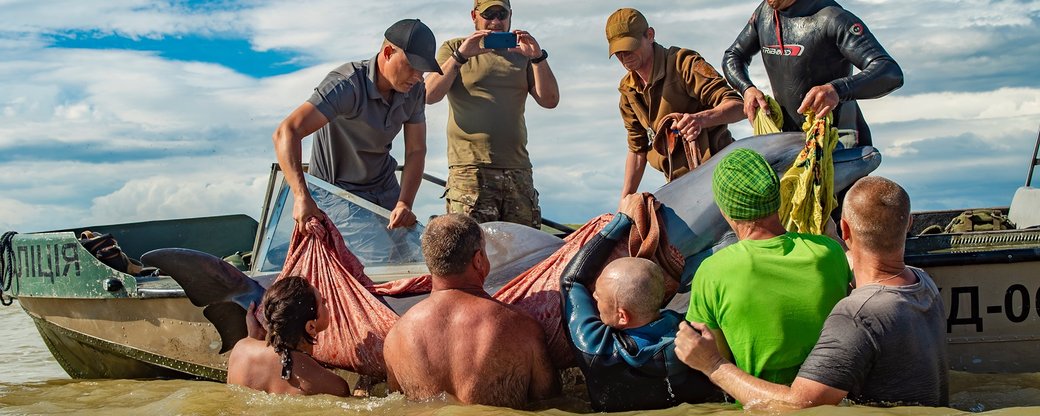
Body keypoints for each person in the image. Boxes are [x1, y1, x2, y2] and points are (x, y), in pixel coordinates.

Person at [676, 176, 949, 408]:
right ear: (909, 224)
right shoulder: (922, 283)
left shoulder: (856, 317)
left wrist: (712, 364)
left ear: (843, 229)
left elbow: (796, 408)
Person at [685, 148, 851, 385]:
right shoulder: (829, 252)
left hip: (759, 405)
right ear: (778, 197)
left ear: (725, 209)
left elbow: (718, 362)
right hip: (836, 398)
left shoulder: (712, 272)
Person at [272, 19, 441, 231]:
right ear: (388, 52)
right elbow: (286, 132)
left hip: (385, 189)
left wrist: (404, 202)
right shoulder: (346, 84)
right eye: (413, 66)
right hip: (339, 195)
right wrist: (300, 196)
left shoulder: (415, 90)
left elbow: (416, 150)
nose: (418, 76)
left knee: (413, 254)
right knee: (376, 259)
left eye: (423, 69)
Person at [382, 213, 559, 408]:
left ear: (430, 262)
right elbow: (551, 402)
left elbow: (398, 405)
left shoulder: (396, 338)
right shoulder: (522, 328)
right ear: (478, 260)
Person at [559, 203, 722, 412]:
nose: (593, 296)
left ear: (622, 316)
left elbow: (571, 281)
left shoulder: (596, 348)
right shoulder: (699, 343)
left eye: (600, 297)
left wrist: (622, 219)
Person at [425, 0, 559, 229]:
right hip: (470, 171)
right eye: (489, 14)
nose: (496, 21)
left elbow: (549, 100)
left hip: (518, 171)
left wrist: (537, 57)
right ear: (474, 16)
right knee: (469, 249)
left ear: (510, 16)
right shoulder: (454, 47)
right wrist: (460, 56)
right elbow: (428, 94)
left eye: (502, 14)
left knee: (524, 249)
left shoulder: (523, 53)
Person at [606, 8, 744, 205]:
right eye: (618, 52)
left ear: (650, 36)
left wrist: (700, 120)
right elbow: (637, 150)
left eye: (630, 47)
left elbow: (737, 106)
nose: (624, 56)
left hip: (721, 173)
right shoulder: (628, 91)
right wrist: (624, 202)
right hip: (679, 188)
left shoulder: (683, 64)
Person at [722, 0, 903, 146]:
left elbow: (889, 71)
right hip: (791, 139)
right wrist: (747, 89)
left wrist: (836, 89)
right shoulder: (765, 14)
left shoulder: (834, 18)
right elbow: (733, 56)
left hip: (840, 138)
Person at [227, 276, 350, 396]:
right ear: (311, 327)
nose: (326, 302)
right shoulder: (333, 385)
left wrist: (252, 337)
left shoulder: (240, 350)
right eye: (322, 303)